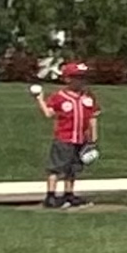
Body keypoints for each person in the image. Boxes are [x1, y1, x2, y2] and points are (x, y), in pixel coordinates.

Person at [37, 65, 98, 210]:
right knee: (56, 167)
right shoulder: (60, 97)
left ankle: (69, 193)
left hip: (81, 138)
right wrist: (40, 100)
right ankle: (50, 195)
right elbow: (49, 113)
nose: (81, 81)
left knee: (73, 168)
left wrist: (93, 137)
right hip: (64, 137)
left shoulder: (88, 97)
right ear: (68, 79)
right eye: (77, 78)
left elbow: (93, 118)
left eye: (83, 77)